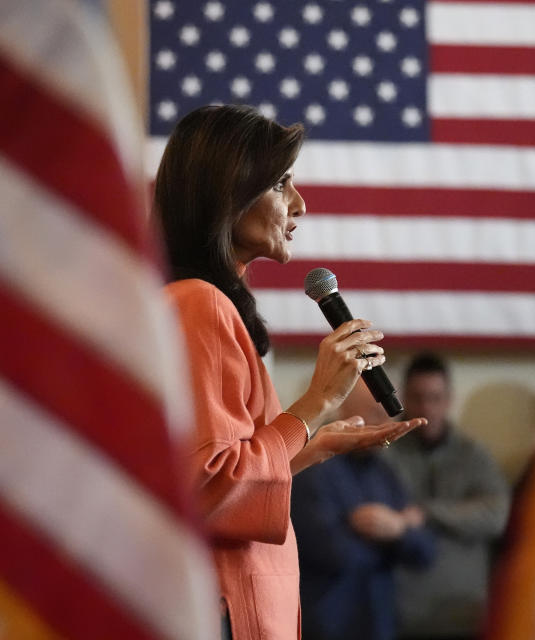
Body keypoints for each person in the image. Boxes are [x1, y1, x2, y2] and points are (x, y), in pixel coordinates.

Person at [153, 104, 426, 640]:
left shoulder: (206, 303)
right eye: (281, 184)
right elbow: (210, 487)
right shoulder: (199, 304)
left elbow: (233, 475)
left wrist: (315, 444)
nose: (300, 204)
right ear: (228, 193)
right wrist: (314, 403)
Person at [291, 381, 436, 640]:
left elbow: (425, 551)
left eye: (387, 415)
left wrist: (397, 529)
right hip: (327, 624)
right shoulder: (313, 465)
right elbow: (333, 553)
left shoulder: (386, 471)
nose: (383, 424)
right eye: (373, 413)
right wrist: (394, 537)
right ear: (345, 410)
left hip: (380, 623)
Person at [382, 353, 511, 640]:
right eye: (417, 397)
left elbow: (496, 516)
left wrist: (428, 512)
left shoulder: (473, 455)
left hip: (464, 616)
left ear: (449, 399)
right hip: (400, 616)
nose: (427, 408)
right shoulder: (384, 453)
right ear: (403, 397)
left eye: (435, 398)